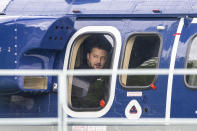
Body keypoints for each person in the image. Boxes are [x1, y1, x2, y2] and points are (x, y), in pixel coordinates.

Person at [71, 34, 112, 109]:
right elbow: (84, 104)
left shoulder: (105, 74)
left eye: (103, 58)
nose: (99, 61)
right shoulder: (79, 75)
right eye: (95, 56)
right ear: (88, 56)